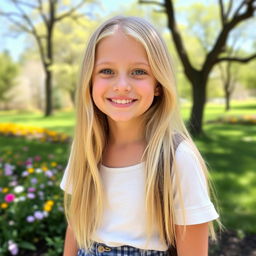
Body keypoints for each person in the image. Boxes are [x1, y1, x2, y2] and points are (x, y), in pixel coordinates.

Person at [60, 16, 219, 256]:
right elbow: (76, 227)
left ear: (158, 83)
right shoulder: (85, 149)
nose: (122, 85)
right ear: (89, 81)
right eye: (106, 71)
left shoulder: (177, 159)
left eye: (138, 71)